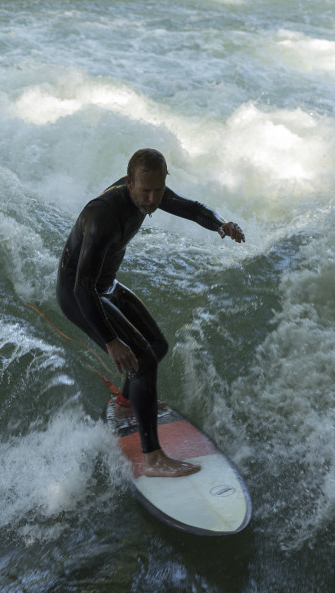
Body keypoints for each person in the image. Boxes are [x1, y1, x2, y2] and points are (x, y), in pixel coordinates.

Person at [56, 148, 245, 477]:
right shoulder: (102, 217)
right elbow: (81, 287)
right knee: (140, 360)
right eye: (145, 191)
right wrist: (112, 341)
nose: (153, 199)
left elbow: (190, 207)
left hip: (107, 285)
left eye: (159, 190)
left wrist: (220, 226)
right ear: (129, 183)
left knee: (156, 347)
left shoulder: (149, 192)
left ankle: (127, 405)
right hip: (80, 294)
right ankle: (153, 458)